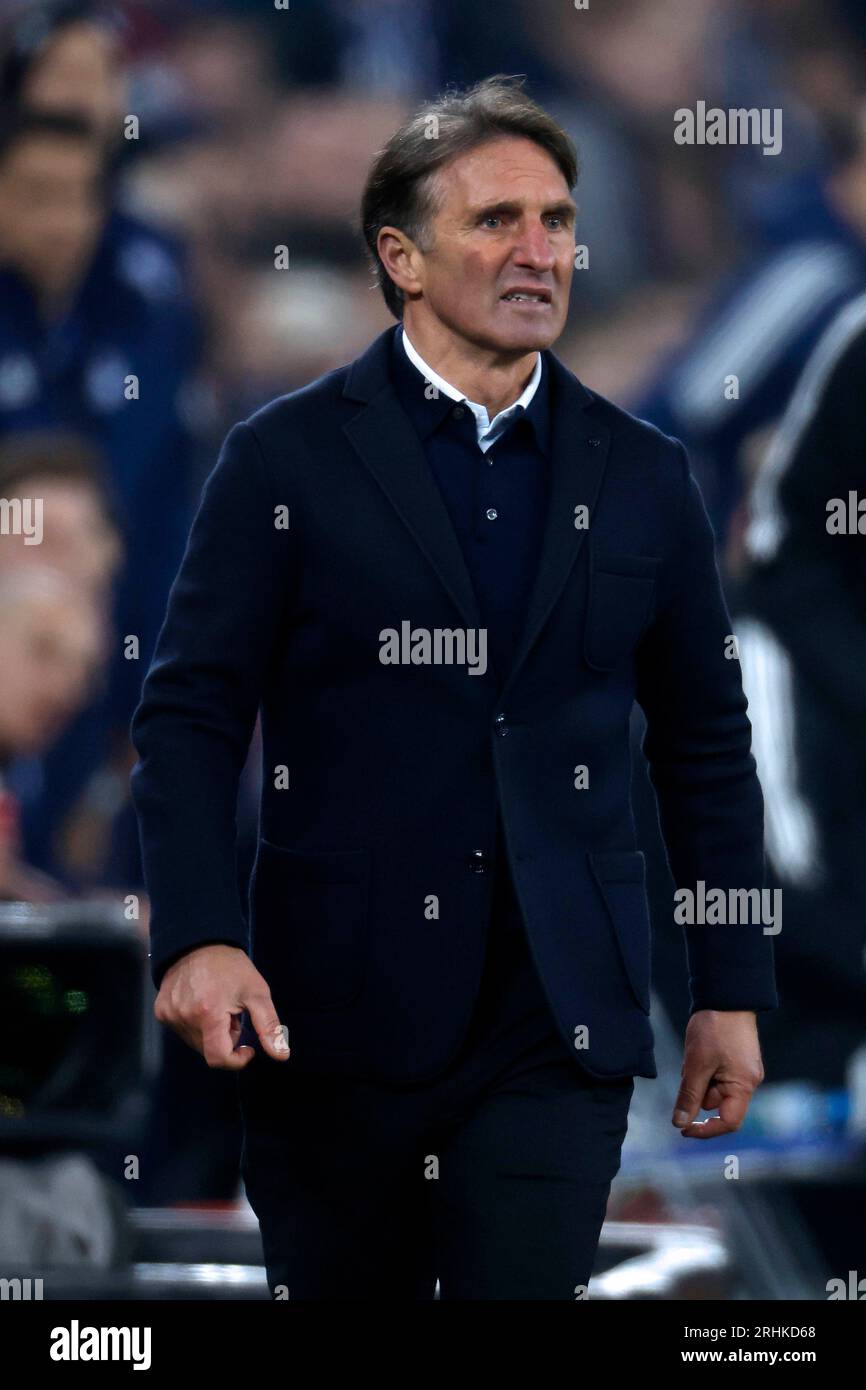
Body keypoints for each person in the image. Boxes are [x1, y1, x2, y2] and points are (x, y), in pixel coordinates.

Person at [130, 76, 777, 1301]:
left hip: (558, 1024)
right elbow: (190, 712)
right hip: (330, 1025)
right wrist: (201, 936)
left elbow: (705, 744)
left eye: (558, 221)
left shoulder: (644, 475)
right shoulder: (284, 459)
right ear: (401, 256)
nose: (539, 251)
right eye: (495, 221)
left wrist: (729, 989)